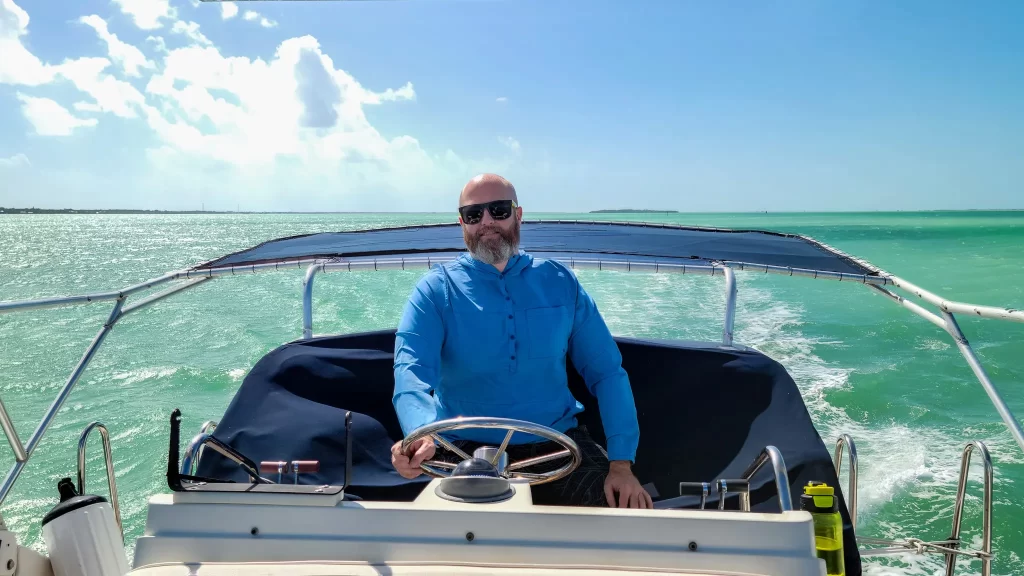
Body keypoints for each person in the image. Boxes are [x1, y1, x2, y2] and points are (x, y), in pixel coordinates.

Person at [391, 174, 652, 509]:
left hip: (556, 444)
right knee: (450, 542)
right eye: (473, 214)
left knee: (621, 520)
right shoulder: (434, 291)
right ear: (462, 223)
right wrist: (420, 434)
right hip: (460, 448)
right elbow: (410, 371)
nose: (486, 221)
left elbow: (607, 372)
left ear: (518, 214)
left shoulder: (560, 282)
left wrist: (621, 463)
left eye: (498, 210)